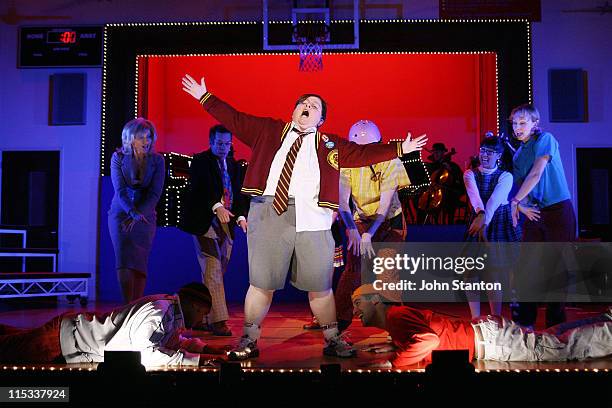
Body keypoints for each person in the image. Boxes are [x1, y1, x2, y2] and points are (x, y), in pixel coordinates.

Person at [181, 73, 427, 360]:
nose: (307, 106)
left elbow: (363, 153)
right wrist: (205, 97)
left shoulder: (331, 144)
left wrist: (400, 149)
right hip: (270, 211)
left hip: (315, 217)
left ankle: (333, 338)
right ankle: (248, 338)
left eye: (314, 105)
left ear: (321, 119)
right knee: (261, 283)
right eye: (302, 103)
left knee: (320, 286)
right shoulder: (268, 130)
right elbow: (234, 118)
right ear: (294, 110)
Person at [352, 284, 612, 368]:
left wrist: (393, 362)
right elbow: (424, 336)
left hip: (490, 342)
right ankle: (606, 322)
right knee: (548, 341)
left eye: (358, 303)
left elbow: (428, 340)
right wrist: (393, 343)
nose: (355, 310)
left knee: (560, 349)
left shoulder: (396, 315)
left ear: (376, 299)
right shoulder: (396, 319)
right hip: (487, 335)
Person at [0, 283, 230, 367]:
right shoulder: (159, 312)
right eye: (202, 313)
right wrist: (198, 361)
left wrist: (204, 349)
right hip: (64, 339)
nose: (202, 321)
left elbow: (168, 340)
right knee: (6, 349)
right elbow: (146, 353)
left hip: (72, 336)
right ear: (192, 305)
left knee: (11, 339)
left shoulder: (171, 311)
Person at [335, 119, 410, 331]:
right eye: (359, 148)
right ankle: (338, 326)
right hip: (361, 218)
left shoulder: (391, 161)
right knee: (353, 268)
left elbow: (384, 206)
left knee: (389, 272)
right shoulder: (347, 162)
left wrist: (368, 235)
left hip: (389, 220)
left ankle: (397, 326)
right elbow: (343, 202)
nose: (364, 152)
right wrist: (352, 230)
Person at [509, 104, 576, 328]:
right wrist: (523, 206)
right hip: (536, 213)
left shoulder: (545, 139)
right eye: (514, 123)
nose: (517, 127)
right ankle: (525, 324)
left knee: (557, 268)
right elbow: (522, 184)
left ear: (534, 123)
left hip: (558, 211)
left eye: (522, 122)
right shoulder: (518, 155)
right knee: (527, 267)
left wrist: (516, 202)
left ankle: (555, 326)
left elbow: (537, 172)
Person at [180, 125, 249, 336]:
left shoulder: (235, 165)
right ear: (211, 142)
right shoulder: (201, 161)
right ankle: (219, 321)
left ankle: (200, 317)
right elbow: (201, 189)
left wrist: (241, 217)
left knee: (217, 272)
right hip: (204, 222)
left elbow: (239, 195)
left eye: (227, 143)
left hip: (227, 224)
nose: (223, 147)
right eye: (219, 143)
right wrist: (216, 206)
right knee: (213, 269)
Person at [462, 136, 528, 318]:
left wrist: (484, 222)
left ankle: (496, 317)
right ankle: (475, 318)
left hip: (498, 222)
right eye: (482, 150)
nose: (485, 155)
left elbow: (494, 202)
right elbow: (476, 198)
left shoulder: (505, 176)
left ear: (498, 155)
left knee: (493, 273)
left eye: (490, 152)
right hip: (477, 220)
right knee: (470, 273)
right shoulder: (469, 174)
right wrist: (481, 220)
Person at [108, 118, 165, 303]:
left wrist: (139, 214)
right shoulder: (118, 157)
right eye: (141, 137)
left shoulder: (157, 160)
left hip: (145, 217)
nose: (146, 141)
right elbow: (120, 190)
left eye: (149, 137)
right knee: (124, 259)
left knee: (140, 260)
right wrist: (131, 213)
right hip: (121, 215)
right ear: (130, 138)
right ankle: (127, 306)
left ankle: (136, 306)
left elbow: (155, 193)